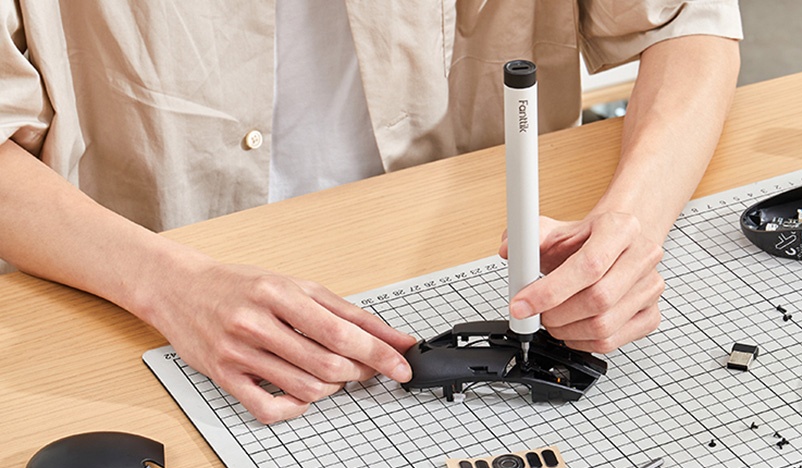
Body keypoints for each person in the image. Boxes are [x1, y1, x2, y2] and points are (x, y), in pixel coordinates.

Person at [0, 1, 742, 424]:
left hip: (458, 248)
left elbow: (688, 23)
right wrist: (167, 284)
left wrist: (633, 222)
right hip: (125, 277)